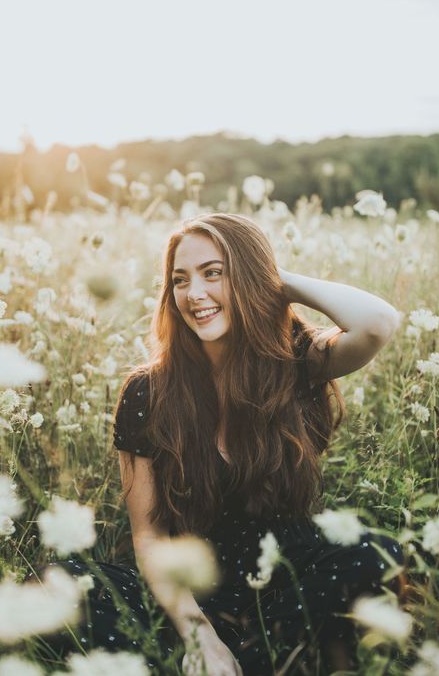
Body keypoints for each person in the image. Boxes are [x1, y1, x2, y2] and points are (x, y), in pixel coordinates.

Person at [30, 213, 405, 675]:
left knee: (377, 554)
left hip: (286, 577)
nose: (195, 294)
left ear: (248, 278)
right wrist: (198, 634)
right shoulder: (147, 392)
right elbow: (148, 536)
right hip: (188, 588)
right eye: (180, 280)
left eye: (214, 273)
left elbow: (378, 322)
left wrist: (271, 280)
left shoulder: (293, 364)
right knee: (57, 589)